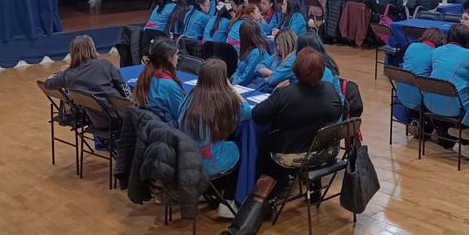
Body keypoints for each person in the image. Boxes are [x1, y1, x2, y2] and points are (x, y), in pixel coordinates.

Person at [252, 48, 344, 176]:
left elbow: (257, 115)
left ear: (295, 70)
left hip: (291, 155)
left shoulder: (284, 93)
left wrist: (273, 94)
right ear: (322, 70)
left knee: (262, 142)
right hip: (327, 151)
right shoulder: (330, 89)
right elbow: (338, 114)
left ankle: (270, 188)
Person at [178, 58, 249, 215]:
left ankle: (214, 191)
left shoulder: (191, 96)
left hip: (187, 158)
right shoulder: (223, 101)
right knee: (243, 147)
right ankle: (230, 200)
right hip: (208, 161)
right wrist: (232, 90)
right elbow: (248, 111)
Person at [427, 24, 469, 157]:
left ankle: (444, 132)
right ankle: (468, 136)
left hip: (430, 102)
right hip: (454, 106)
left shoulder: (437, 51)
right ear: (466, 38)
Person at [46, 35, 130, 100]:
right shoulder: (105, 65)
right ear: (92, 49)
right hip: (117, 113)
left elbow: (48, 84)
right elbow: (123, 87)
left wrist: (60, 73)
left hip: (95, 118)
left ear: (72, 53)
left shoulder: (68, 74)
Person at [397, 28, 444, 135]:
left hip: (401, 92)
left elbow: (405, 62)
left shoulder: (412, 46)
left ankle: (416, 121)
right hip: (420, 97)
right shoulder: (436, 53)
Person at [132, 38, 185, 127]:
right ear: (169, 58)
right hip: (167, 133)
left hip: (149, 131)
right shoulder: (170, 86)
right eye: (176, 54)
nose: (177, 57)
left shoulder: (144, 76)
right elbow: (183, 117)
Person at [229, 20, 269, 86]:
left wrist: (233, 84)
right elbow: (238, 70)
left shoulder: (257, 53)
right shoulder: (246, 49)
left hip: (254, 85)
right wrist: (231, 79)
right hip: (242, 82)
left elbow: (247, 77)